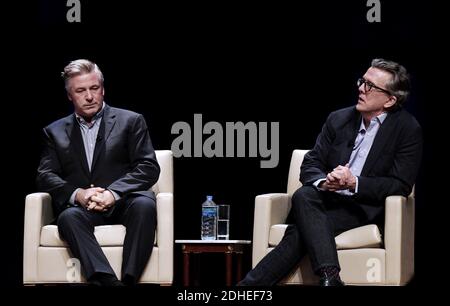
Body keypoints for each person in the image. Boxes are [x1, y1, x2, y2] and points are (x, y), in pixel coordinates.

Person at [238, 58, 423, 286]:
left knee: (299, 233)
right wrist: (324, 182)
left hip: (362, 208)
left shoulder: (407, 129)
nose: (360, 89)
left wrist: (353, 182)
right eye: (362, 81)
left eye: (370, 86)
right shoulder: (339, 119)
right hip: (323, 200)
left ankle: (247, 288)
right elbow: (310, 162)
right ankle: (330, 277)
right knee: (304, 194)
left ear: (390, 100)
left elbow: (400, 184)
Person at [36, 59, 160, 286]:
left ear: (103, 89)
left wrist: (112, 193)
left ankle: (130, 279)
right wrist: (79, 194)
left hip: (124, 202)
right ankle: (108, 282)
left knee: (145, 206)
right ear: (70, 96)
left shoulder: (130, 121)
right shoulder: (54, 132)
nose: (90, 96)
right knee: (68, 217)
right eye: (81, 91)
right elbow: (45, 175)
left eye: (94, 88)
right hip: (85, 207)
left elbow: (148, 167)